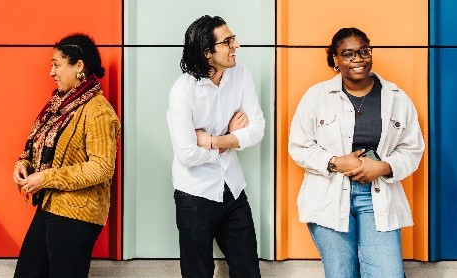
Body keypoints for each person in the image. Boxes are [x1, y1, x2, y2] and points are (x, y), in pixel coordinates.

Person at [288, 27, 424, 278]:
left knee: (388, 273)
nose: (358, 59)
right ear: (335, 60)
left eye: (364, 51)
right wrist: (335, 163)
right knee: (341, 273)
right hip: (328, 194)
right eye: (348, 54)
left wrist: (383, 167)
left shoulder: (396, 97)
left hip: (377, 195)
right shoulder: (316, 96)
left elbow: (412, 148)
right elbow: (299, 146)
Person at [12, 33, 120, 278]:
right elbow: (40, 143)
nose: (52, 72)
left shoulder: (99, 110)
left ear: (79, 66)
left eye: (57, 64)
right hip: (50, 206)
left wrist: (46, 178)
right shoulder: (59, 105)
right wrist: (24, 162)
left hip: (77, 213)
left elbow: (102, 168)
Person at [167, 15, 266, 278]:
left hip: (233, 189)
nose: (236, 46)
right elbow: (187, 155)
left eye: (233, 39)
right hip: (194, 195)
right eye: (228, 41)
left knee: (248, 272)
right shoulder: (183, 91)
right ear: (207, 52)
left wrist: (213, 141)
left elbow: (257, 129)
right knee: (197, 273)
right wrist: (234, 138)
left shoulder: (241, 75)